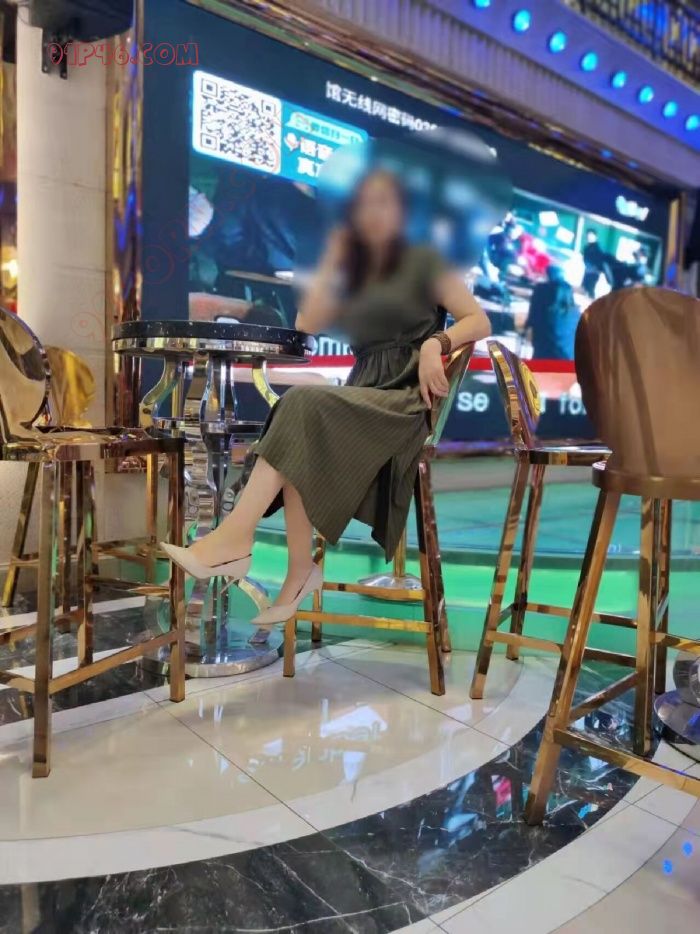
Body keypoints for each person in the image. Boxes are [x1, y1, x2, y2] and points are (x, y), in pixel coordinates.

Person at [163, 169, 491, 626]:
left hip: (404, 399)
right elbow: (307, 323)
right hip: (363, 390)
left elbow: (478, 320)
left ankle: (235, 541)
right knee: (301, 425)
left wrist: (437, 344)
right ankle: (296, 569)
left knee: (301, 406)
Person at [525, 265, 579, 360]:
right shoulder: (575, 312)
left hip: (544, 358)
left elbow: (531, 320)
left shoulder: (541, 292)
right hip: (569, 361)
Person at [581, 230, 612, 298]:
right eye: (588, 236)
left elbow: (600, 261)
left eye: (591, 236)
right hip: (588, 271)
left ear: (595, 237)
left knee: (590, 289)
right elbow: (585, 259)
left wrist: (595, 268)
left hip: (594, 272)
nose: (589, 238)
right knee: (584, 288)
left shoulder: (598, 249)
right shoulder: (587, 248)